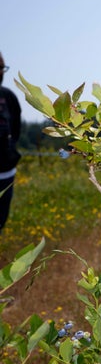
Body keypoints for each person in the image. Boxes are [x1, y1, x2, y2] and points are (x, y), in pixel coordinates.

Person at [0, 52, 22, 234]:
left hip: (6, 172)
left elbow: (15, 130)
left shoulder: (8, 97)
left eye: (2, 68)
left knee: (0, 220)